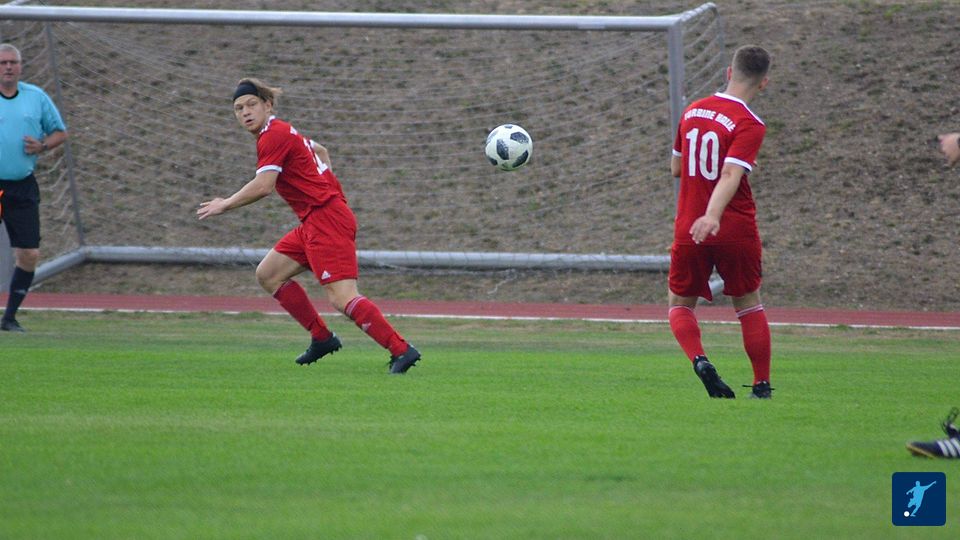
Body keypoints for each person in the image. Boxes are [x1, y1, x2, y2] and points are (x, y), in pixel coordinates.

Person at [197, 78, 420, 374]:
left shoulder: (272, 136)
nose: (246, 112)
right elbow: (321, 150)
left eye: (251, 104)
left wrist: (225, 204)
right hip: (317, 219)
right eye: (239, 108)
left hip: (325, 219)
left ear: (267, 105)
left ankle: (401, 350)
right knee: (268, 274)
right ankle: (322, 338)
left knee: (342, 298)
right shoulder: (283, 130)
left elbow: (263, 186)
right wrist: (326, 187)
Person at [667, 45, 772, 399]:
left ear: (729, 72)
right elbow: (729, 174)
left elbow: (676, 168)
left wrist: (703, 210)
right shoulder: (750, 123)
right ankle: (761, 386)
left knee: (680, 304)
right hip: (734, 227)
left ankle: (700, 360)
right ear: (763, 83)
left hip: (690, 225)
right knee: (748, 303)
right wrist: (713, 215)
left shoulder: (692, 111)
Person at [0, 43, 68, 333]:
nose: (8, 67)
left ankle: (9, 318)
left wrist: (42, 146)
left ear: (20, 66)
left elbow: (60, 132)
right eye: (3, 62)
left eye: (13, 62)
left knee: (29, 254)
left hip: (22, 185)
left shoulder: (36, 97)